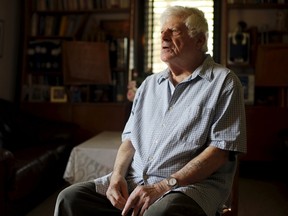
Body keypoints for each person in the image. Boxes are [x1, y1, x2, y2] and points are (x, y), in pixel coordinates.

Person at [54, 6, 246, 216]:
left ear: (199, 40)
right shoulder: (149, 85)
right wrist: (117, 176)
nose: (163, 36)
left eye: (173, 31)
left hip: (185, 189)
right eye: (162, 31)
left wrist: (163, 186)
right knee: (70, 198)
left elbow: (219, 152)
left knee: (159, 213)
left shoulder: (224, 82)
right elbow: (129, 141)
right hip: (134, 182)